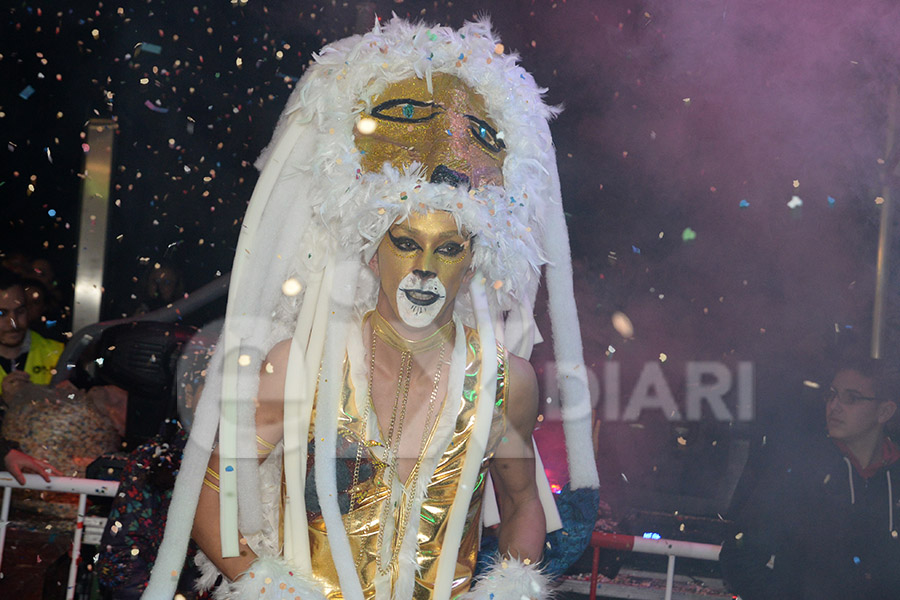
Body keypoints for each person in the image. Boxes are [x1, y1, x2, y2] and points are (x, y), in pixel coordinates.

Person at [146, 18, 598, 600]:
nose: (425, 270)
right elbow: (214, 502)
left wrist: (506, 590)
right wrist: (269, 588)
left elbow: (521, 504)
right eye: (406, 243)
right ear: (372, 253)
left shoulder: (506, 380)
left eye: (449, 248)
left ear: (473, 260)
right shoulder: (301, 364)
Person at [720, 352, 900, 599]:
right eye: (832, 394)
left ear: (884, 412)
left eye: (851, 398)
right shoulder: (799, 471)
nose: (835, 405)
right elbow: (739, 555)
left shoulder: (895, 477)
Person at [0, 267, 64, 484]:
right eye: (1, 314)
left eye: (20, 311)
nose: (14, 323)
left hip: (50, 481)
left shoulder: (57, 353)